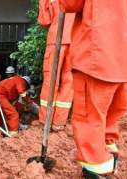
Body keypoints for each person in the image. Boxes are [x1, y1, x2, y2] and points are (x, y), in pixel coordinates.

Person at [59, 0, 127, 178]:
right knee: (110, 117)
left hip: (96, 56)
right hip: (124, 59)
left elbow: (69, 4)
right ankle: (109, 154)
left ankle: (96, 168)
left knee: (90, 119)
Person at [38, 0, 75, 131]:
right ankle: (59, 122)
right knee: (69, 82)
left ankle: (45, 121)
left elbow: (44, 21)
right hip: (76, 40)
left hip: (56, 40)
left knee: (50, 81)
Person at [0, 66, 31, 136]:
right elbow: (22, 93)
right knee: (13, 114)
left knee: (13, 109)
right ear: (26, 83)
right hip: (0, 95)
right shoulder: (20, 81)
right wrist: (27, 101)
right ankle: (13, 133)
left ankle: (13, 126)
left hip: (0, 94)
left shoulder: (14, 82)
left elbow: (15, 100)